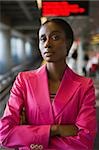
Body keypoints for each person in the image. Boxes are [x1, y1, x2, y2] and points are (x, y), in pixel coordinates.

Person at [0, 18, 97, 150]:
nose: (47, 44)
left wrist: (30, 136)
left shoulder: (85, 86)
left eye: (55, 37)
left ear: (68, 43)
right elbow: (5, 134)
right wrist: (56, 130)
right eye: (43, 39)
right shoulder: (24, 81)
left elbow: (85, 141)